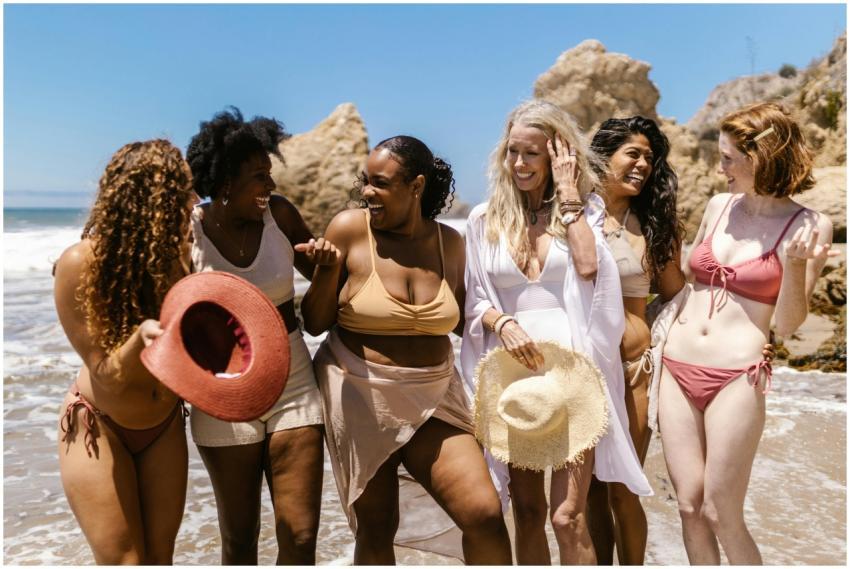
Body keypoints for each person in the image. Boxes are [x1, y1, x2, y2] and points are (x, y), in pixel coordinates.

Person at [301, 135, 513, 565]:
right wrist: (325, 274)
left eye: (379, 183)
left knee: (484, 514)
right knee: (377, 530)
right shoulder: (348, 229)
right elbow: (316, 322)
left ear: (416, 187)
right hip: (362, 398)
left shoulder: (449, 244)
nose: (366, 192)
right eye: (365, 181)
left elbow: (459, 317)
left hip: (435, 397)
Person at [460, 99, 652, 565]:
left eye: (532, 154)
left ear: (555, 157)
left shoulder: (580, 211)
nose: (520, 164)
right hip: (516, 375)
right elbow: (475, 298)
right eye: (513, 153)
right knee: (527, 510)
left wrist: (569, 195)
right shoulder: (484, 219)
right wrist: (501, 323)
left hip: (574, 374)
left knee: (568, 515)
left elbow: (590, 269)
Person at [659, 102, 835, 565]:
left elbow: (789, 324)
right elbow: (687, 282)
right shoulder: (718, 206)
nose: (720, 169)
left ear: (760, 157)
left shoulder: (810, 225)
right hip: (675, 366)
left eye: (728, 158)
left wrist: (794, 267)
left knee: (721, 511)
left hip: (737, 375)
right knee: (689, 507)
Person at [185, 108, 324, 564]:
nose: (270, 186)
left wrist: (331, 262)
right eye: (258, 176)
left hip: (293, 379)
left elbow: (326, 291)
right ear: (225, 182)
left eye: (270, 174)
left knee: (300, 537)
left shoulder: (279, 216)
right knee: (240, 542)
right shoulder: (190, 230)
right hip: (223, 387)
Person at [54, 139, 196, 564]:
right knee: (125, 563)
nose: (192, 202)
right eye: (181, 192)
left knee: (160, 561)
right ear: (152, 200)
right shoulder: (79, 264)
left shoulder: (178, 260)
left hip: (164, 425)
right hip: (99, 426)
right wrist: (140, 338)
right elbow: (106, 372)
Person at [583, 116, 685, 564]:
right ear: (604, 158)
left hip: (632, 371)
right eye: (633, 154)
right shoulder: (571, 216)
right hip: (580, 371)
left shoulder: (656, 225)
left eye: (649, 157)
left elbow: (679, 297)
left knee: (623, 489)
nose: (644, 164)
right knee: (587, 491)